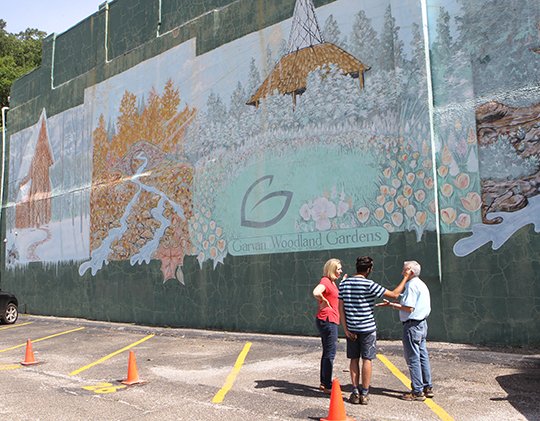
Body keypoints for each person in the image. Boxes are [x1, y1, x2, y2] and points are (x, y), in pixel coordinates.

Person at [338, 256, 412, 405]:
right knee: (367, 359)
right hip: (368, 329)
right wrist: (405, 278)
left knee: (353, 359)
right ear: (369, 269)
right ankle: (364, 393)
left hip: (351, 328)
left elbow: (341, 307)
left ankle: (355, 391)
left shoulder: (344, 283)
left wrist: (345, 328)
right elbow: (394, 295)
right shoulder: (369, 284)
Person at [377, 260, 433, 401]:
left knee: (413, 358)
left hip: (412, 325)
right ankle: (427, 387)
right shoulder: (421, 284)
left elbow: (409, 307)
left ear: (410, 272)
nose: (402, 271)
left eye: (405, 270)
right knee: (422, 355)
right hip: (422, 324)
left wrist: (393, 305)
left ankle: (417, 391)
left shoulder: (411, 285)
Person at [313, 258, 344, 394]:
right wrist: (323, 299)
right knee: (330, 353)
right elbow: (316, 292)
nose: (340, 271)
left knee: (327, 352)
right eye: (338, 269)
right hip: (328, 320)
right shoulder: (325, 281)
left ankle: (324, 382)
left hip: (328, 320)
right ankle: (327, 385)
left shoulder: (332, 283)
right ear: (331, 270)